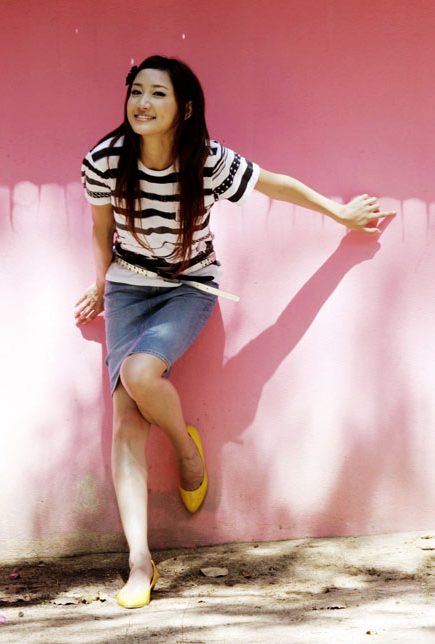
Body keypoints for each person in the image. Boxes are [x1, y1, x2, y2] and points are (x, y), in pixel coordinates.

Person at [75, 55, 395, 608]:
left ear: (185, 108)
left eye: (157, 94)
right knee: (126, 414)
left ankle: (186, 449)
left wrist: (339, 213)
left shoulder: (206, 161)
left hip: (189, 287)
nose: (142, 103)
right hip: (128, 287)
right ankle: (140, 562)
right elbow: (102, 228)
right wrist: (102, 287)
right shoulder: (104, 160)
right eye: (136, 91)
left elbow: (275, 186)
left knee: (139, 374)